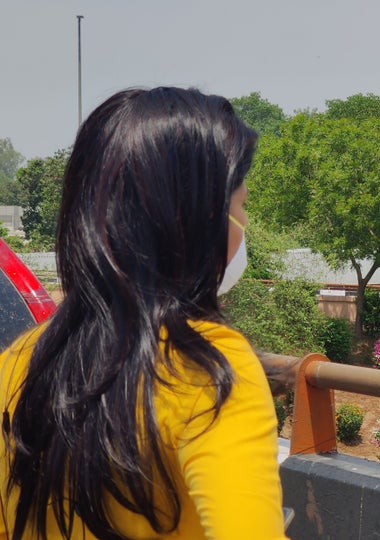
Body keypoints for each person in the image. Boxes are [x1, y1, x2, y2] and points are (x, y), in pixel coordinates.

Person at [0, 87, 288, 539]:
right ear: (200, 217)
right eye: (241, 205)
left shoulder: (20, 362)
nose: (244, 223)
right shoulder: (209, 369)